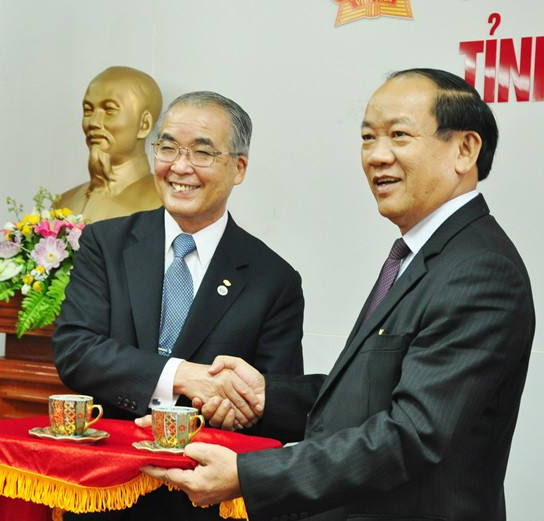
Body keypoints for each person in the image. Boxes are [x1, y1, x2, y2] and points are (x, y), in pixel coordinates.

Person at [142, 68, 535, 521]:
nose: (377, 156)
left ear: (464, 150)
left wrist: (251, 475)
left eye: (399, 136)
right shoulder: (423, 252)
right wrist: (265, 396)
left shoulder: (479, 269)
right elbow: (369, 395)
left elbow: (411, 434)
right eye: (368, 138)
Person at [52, 91, 305, 520]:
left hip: (203, 502)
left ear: (239, 167)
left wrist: (234, 406)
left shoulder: (273, 279)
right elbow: (76, 349)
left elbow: (273, 402)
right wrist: (185, 377)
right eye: (168, 148)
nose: (180, 167)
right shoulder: (106, 244)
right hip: (106, 493)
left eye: (202, 152)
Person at [56, 66, 163, 223]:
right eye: (88, 111)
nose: (93, 122)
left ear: (143, 124)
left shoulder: (161, 204)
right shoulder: (63, 203)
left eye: (109, 110)